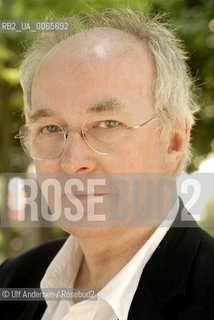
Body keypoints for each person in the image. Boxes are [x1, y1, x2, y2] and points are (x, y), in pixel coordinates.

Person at [1, 8, 214, 320]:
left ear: (174, 141)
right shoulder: (12, 282)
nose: (72, 163)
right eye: (49, 128)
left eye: (107, 123)